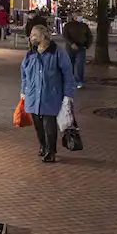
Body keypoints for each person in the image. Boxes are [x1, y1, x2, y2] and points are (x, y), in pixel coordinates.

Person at [20, 25, 76, 163]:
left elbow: (68, 74)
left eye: (34, 34)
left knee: (49, 125)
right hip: (33, 96)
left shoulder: (58, 53)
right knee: (38, 124)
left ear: (43, 36)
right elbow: (24, 74)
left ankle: (51, 151)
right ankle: (43, 146)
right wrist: (23, 90)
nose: (31, 37)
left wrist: (68, 95)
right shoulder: (30, 54)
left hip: (51, 96)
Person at [61, 15, 92, 88]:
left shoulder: (84, 26)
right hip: (70, 48)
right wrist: (71, 43)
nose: (79, 17)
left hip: (81, 47)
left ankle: (79, 81)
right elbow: (65, 36)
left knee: (80, 64)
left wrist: (87, 45)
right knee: (69, 64)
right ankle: (69, 81)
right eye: (78, 16)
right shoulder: (68, 25)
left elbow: (89, 36)